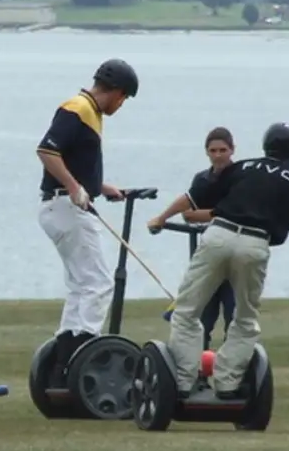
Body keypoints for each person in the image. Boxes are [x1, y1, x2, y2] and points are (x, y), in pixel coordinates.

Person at [164, 122, 289, 399]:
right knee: (244, 319)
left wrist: (161, 218)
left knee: (187, 311)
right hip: (255, 245)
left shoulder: (242, 167)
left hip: (218, 235)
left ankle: (183, 380)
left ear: (266, 144)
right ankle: (227, 383)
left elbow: (193, 198)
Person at [35, 58, 138, 381]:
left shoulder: (89, 112)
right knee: (99, 284)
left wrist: (101, 187)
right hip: (68, 206)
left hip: (61, 205)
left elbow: (72, 160)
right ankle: (86, 357)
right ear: (116, 91)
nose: (121, 105)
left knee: (80, 285)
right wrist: (74, 187)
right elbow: (47, 151)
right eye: (124, 99)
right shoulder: (78, 108)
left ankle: (63, 364)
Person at [147, 126, 237, 351]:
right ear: (206, 152)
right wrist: (162, 218)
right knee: (202, 317)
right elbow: (188, 209)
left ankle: (235, 366)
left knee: (234, 317)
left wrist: (213, 214)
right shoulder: (203, 179)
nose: (218, 155)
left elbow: (236, 213)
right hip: (209, 254)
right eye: (213, 150)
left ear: (232, 150)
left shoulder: (240, 177)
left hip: (236, 256)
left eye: (223, 150)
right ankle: (197, 363)